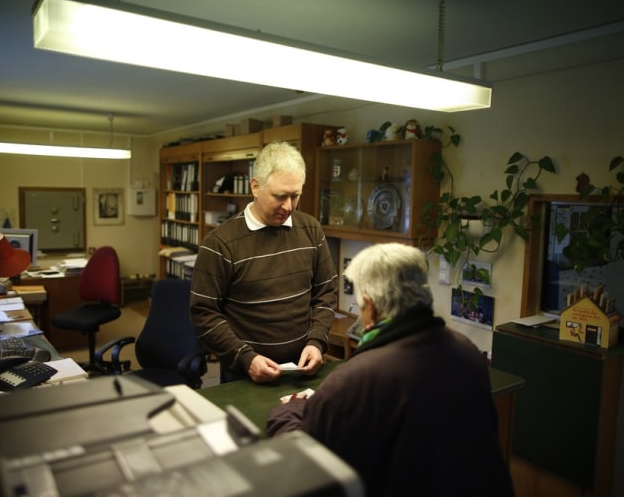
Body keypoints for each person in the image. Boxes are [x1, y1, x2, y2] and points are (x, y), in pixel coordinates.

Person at [267, 243, 515, 497]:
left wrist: (288, 411)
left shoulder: (356, 378)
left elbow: (306, 462)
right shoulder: (467, 352)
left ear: (370, 306)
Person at [190, 141, 338, 384]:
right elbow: (203, 314)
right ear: (255, 187)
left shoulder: (311, 230)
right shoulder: (220, 243)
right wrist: (246, 358)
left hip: (302, 371)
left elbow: (326, 293)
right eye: (280, 196)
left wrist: (316, 342)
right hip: (245, 375)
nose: (288, 206)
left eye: (295, 196)